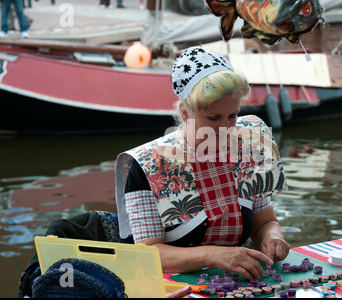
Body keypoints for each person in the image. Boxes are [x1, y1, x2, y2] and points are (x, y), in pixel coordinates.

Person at [115, 46, 290, 280]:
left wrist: (272, 237)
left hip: (239, 281)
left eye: (232, 115)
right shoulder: (148, 165)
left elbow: (265, 222)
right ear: (185, 112)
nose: (227, 128)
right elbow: (148, 252)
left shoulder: (250, 144)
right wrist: (214, 255)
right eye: (213, 117)